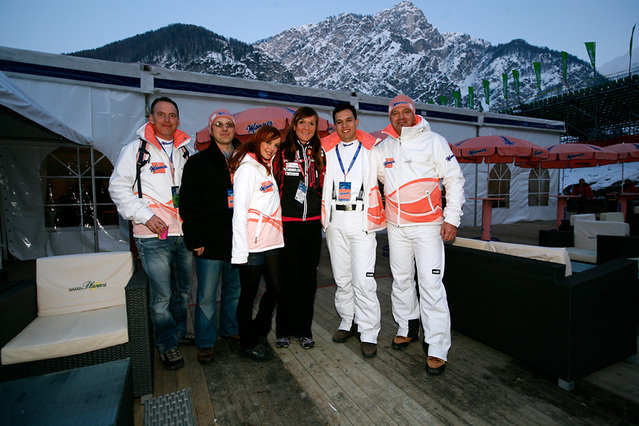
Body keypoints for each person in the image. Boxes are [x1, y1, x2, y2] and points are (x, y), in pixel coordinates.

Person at [374, 95, 465, 376]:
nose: (400, 117)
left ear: (414, 114)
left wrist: (452, 218)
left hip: (428, 227)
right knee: (401, 280)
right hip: (396, 227)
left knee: (431, 284)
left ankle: (437, 346)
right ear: (389, 118)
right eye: (394, 113)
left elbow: (454, 178)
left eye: (405, 112)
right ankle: (407, 327)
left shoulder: (434, 141)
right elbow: (376, 176)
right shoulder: (384, 147)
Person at [109, 97, 194, 370]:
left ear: (178, 120)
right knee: (162, 297)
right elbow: (117, 188)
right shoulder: (135, 150)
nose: (167, 120)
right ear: (151, 118)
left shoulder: (185, 152)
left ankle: (180, 333)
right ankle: (167, 344)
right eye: (161, 115)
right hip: (151, 236)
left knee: (182, 292)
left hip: (183, 234)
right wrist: (146, 216)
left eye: (172, 116)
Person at [320, 103, 386, 358]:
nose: (344, 125)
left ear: (357, 122)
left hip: (362, 220)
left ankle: (368, 332)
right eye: (339, 121)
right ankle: (348, 321)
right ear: (334, 125)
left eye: (349, 120)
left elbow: (387, 178)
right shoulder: (328, 150)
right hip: (336, 220)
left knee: (363, 280)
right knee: (342, 278)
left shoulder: (372, 150)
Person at [179, 109, 241, 365]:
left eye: (228, 125)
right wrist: (195, 239)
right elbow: (188, 205)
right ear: (211, 129)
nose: (224, 129)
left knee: (233, 291)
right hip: (209, 241)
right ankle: (205, 342)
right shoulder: (198, 163)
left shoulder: (244, 161)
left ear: (234, 129)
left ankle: (230, 329)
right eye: (219, 124)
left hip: (238, 241)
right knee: (205, 296)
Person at [229, 124, 284, 362]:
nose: (272, 149)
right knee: (248, 295)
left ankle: (259, 326)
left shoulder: (267, 167)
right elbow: (239, 212)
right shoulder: (247, 169)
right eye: (268, 143)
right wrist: (240, 252)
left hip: (271, 241)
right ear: (258, 140)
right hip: (252, 245)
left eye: (276, 145)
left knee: (277, 288)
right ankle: (247, 341)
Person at [274, 107, 326, 350]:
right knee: (289, 280)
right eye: (302, 122)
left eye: (312, 123)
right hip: (289, 226)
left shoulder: (321, 152)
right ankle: (283, 329)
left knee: (309, 281)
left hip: (313, 226)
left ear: (317, 127)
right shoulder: (282, 152)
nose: (306, 128)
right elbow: (271, 185)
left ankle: (303, 330)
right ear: (294, 125)